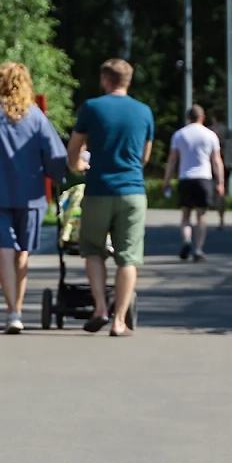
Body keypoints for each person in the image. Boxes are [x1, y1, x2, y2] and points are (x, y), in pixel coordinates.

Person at [0, 62, 67, 333]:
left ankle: (13, 311)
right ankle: (17, 307)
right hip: (30, 196)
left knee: (4, 248)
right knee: (23, 251)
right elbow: (55, 156)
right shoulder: (36, 116)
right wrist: (60, 178)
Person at [67, 58, 154, 337]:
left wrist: (79, 166)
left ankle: (101, 308)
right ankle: (119, 321)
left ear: (106, 79)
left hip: (99, 190)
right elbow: (145, 156)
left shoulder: (92, 107)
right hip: (132, 192)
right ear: (127, 81)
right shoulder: (144, 111)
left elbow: (74, 150)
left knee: (93, 250)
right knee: (128, 257)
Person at [162, 104, 225, 262]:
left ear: (188, 118)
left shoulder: (179, 135)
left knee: (185, 215)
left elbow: (172, 160)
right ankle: (198, 249)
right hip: (204, 178)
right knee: (201, 215)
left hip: (185, 178)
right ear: (202, 117)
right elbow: (216, 161)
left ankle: (186, 240)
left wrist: (167, 180)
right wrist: (220, 182)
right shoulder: (210, 135)